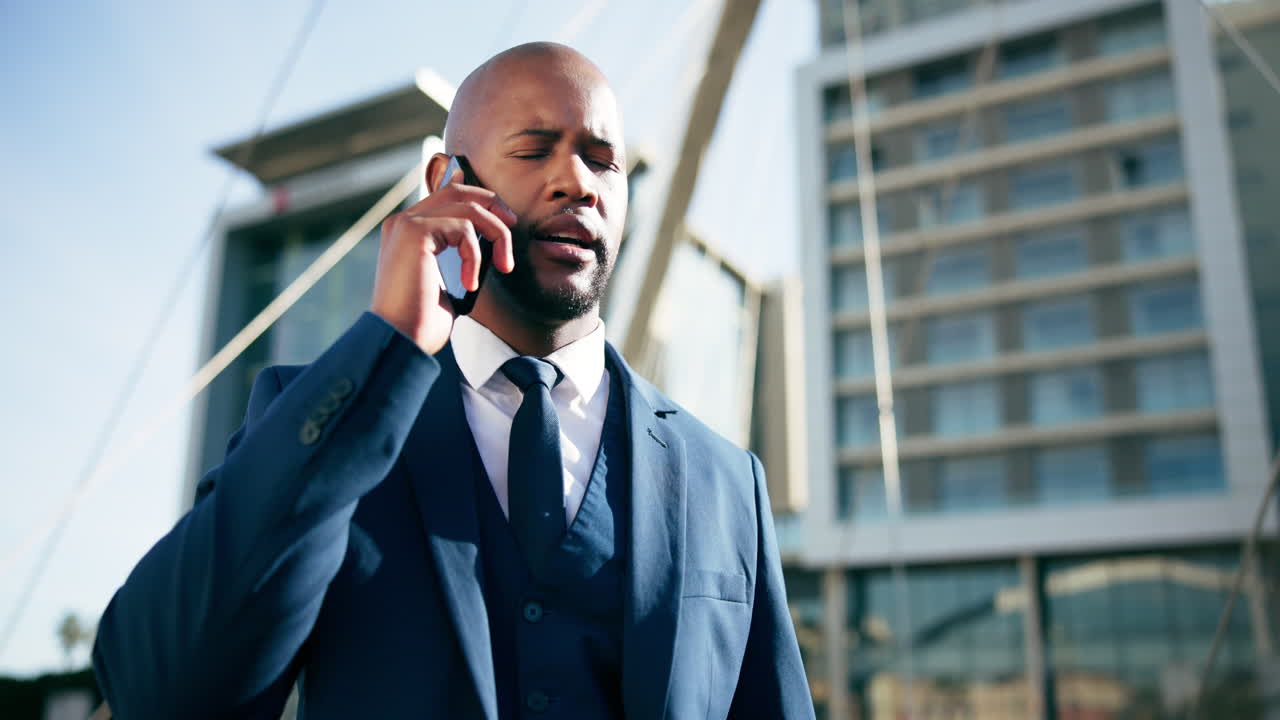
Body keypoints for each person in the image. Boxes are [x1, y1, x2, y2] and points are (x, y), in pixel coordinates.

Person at [92, 42, 815, 720]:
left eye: (605, 162)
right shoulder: (316, 418)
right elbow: (161, 692)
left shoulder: (726, 482)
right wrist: (389, 344)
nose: (578, 183)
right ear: (447, 183)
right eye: (535, 150)